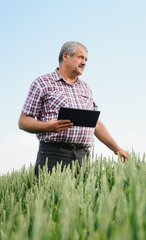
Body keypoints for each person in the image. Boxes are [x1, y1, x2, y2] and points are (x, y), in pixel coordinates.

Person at [19, 41, 128, 177]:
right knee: (52, 197)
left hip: (83, 157)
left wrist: (116, 149)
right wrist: (49, 126)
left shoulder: (86, 88)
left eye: (86, 59)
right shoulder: (42, 83)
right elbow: (23, 122)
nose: (84, 62)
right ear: (66, 56)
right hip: (54, 154)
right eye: (81, 57)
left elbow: (95, 124)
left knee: (84, 198)